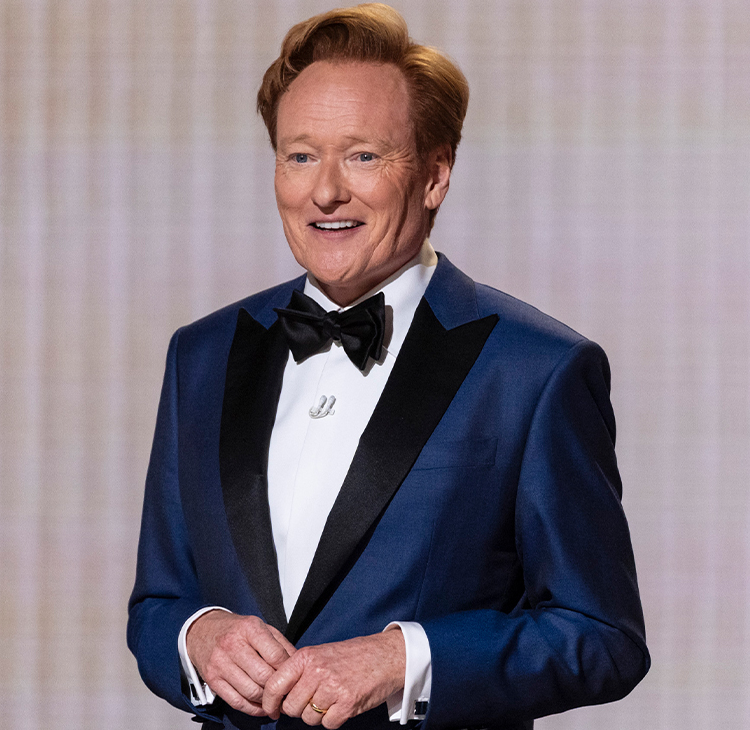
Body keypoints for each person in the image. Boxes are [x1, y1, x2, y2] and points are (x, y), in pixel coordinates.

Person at [127, 5, 648, 728]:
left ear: (435, 176)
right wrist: (198, 637)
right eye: (300, 155)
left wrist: (409, 659)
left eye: (363, 156)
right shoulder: (202, 355)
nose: (325, 191)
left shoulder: (537, 371)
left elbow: (603, 638)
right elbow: (156, 604)